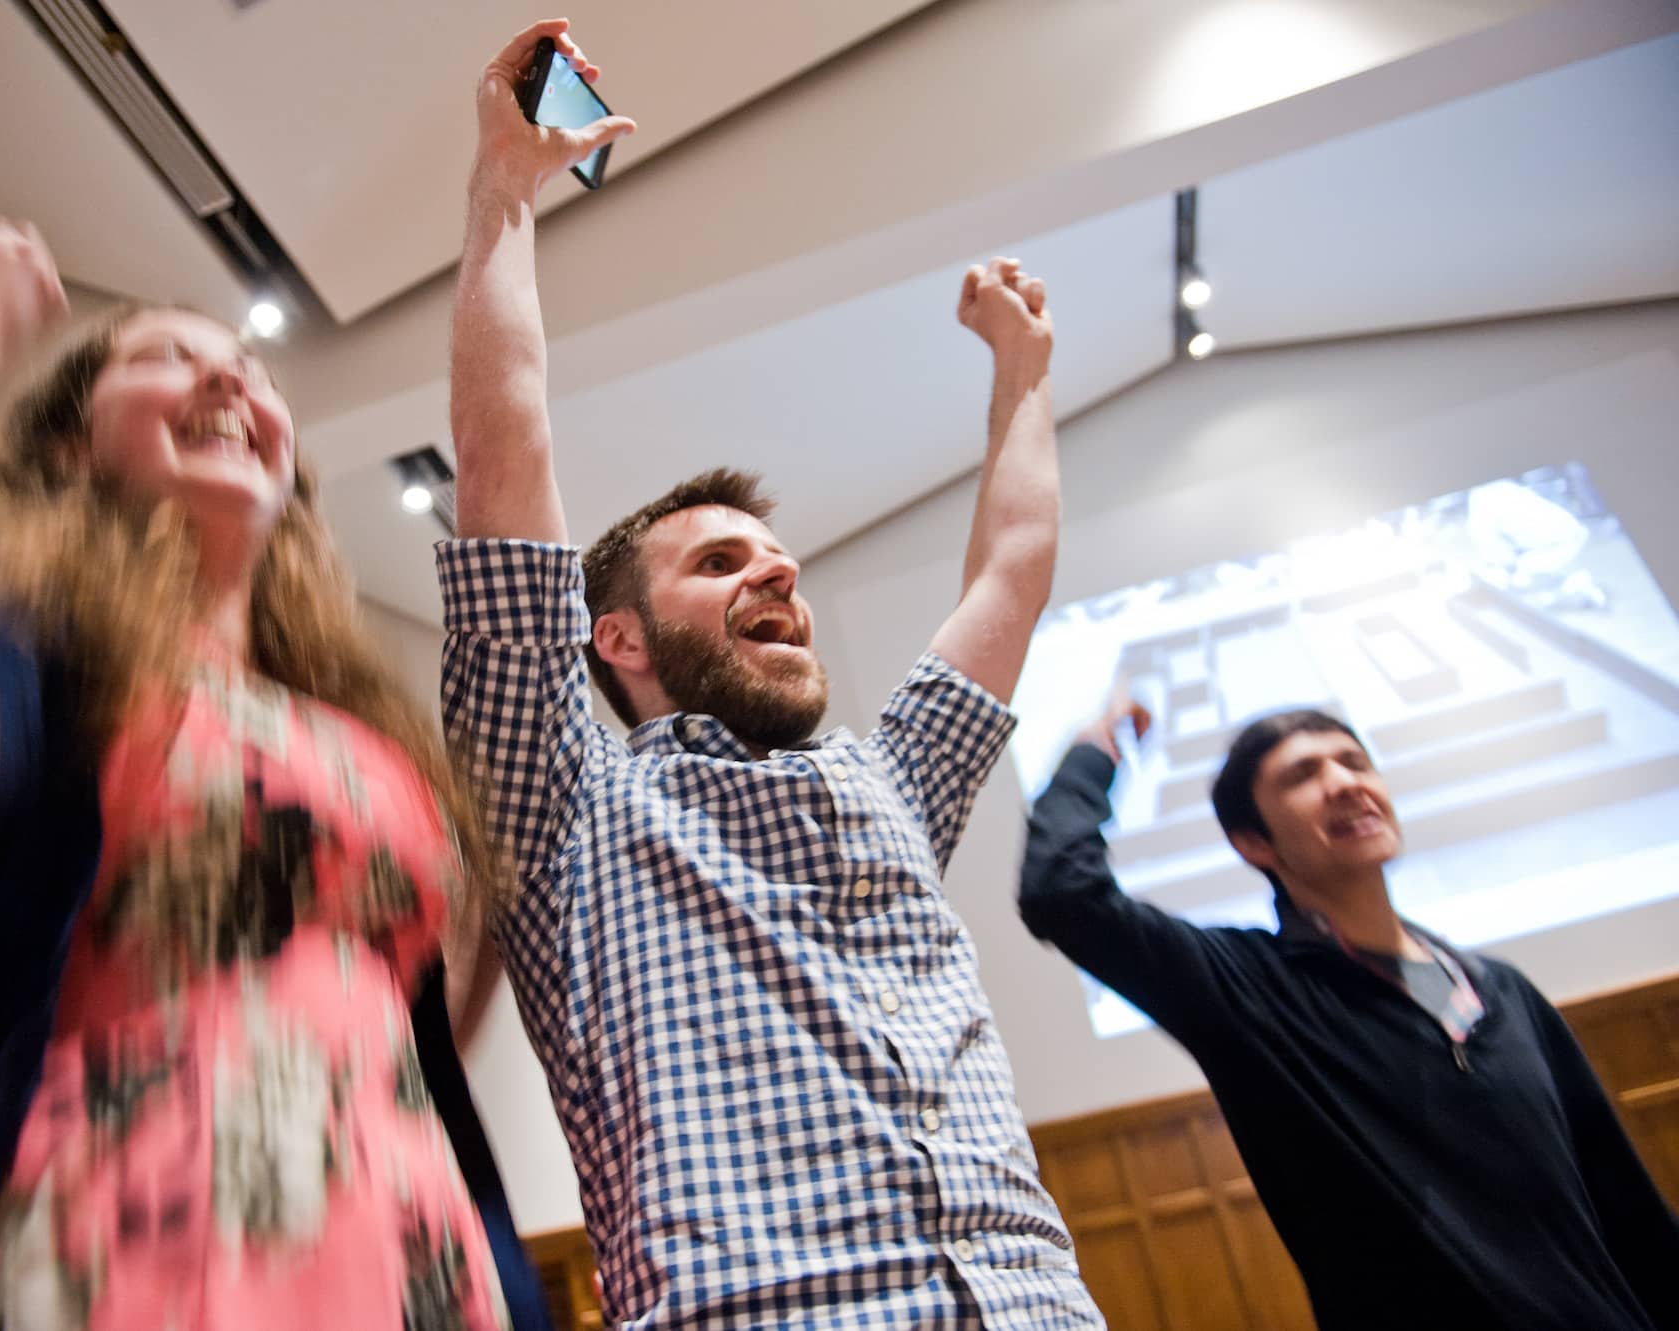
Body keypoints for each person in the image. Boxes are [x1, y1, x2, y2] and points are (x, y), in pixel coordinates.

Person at [438, 19, 1102, 1328]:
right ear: (615, 638)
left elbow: (1011, 571)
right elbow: (505, 469)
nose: (778, 574)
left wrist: (1021, 379)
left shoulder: (886, 784)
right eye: (723, 560)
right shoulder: (560, 809)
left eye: (784, 561)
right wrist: (504, 192)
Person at [0, 213, 552, 1330]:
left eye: (247, 366)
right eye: (165, 356)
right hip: (116, 1256)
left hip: (407, 1256)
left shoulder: (362, 724)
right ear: (64, 445)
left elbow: (409, 998)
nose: (229, 371)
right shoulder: (38, 650)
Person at [1019, 700, 1679, 1329]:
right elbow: (1063, 892)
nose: (1343, 782)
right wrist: (1093, 750)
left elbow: (1627, 1208)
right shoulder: (1249, 989)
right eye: (1303, 775)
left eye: (1355, 762)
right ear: (1254, 842)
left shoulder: (1499, 989)